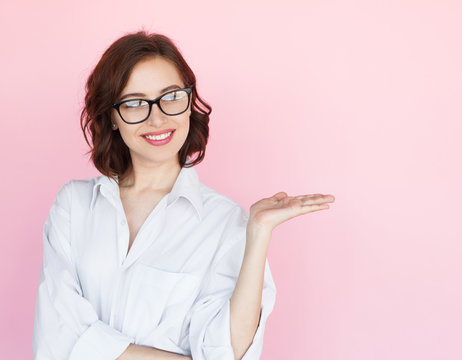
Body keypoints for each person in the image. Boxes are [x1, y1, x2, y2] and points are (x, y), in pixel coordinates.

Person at [32, 30, 335, 360]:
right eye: (134, 103)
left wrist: (258, 234)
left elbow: (226, 350)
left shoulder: (225, 222)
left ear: (190, 103)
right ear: (113, 117)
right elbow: (56, 338)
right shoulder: (74, 206)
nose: (158, 117)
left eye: (171, 96)